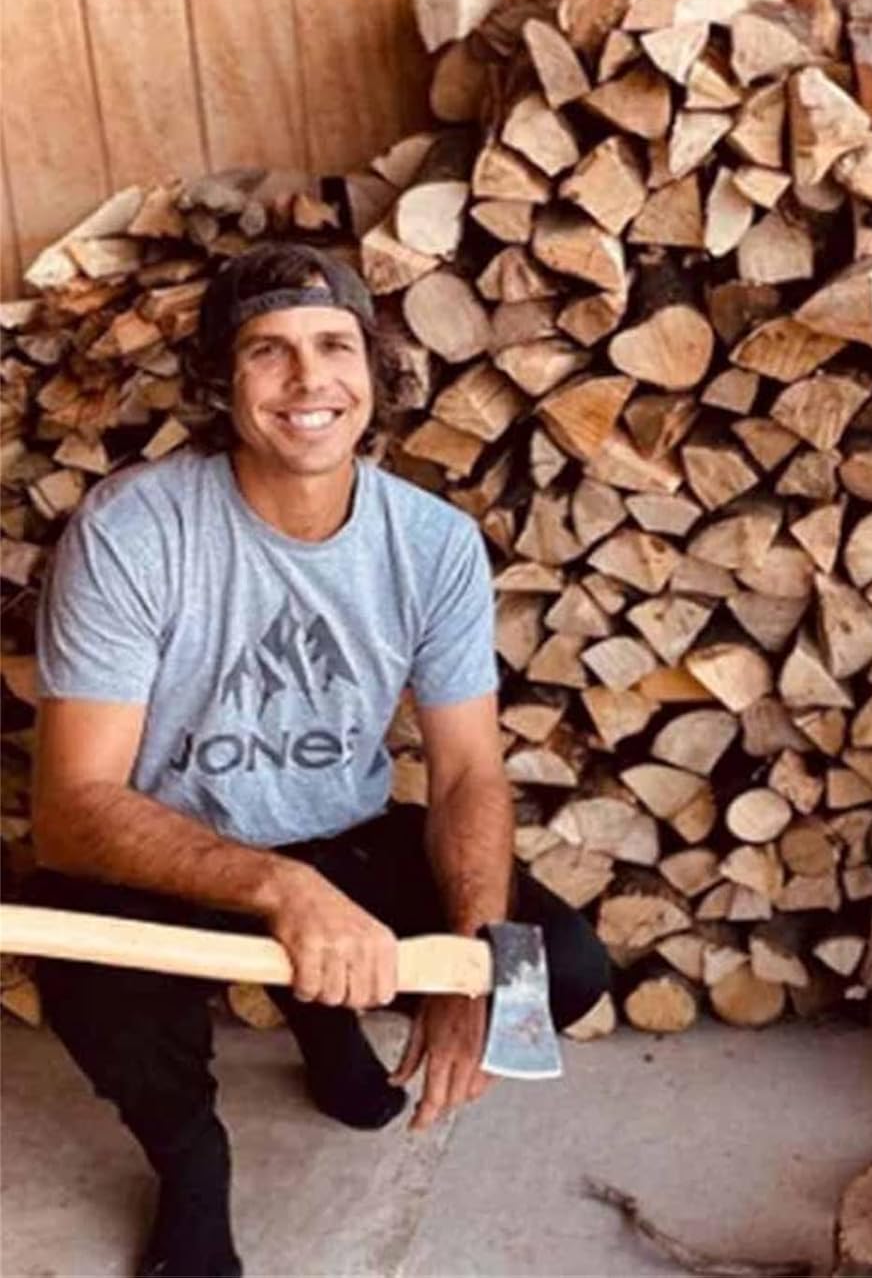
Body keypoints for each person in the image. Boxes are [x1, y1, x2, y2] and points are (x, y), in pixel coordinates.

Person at [30, 244, 609, 1277]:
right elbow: (75, 809)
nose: (309, 383)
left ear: (375, 373)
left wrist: (473, 961)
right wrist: (275, 886)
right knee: (90, 975)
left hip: (339, 838)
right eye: (269, 352)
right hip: (174, 853)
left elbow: (470, 772)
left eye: (336, 345)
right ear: (222, 381)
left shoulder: (431, 542)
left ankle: (325, 1014)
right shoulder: (132, 532)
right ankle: (191, 1161)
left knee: (556, 969)